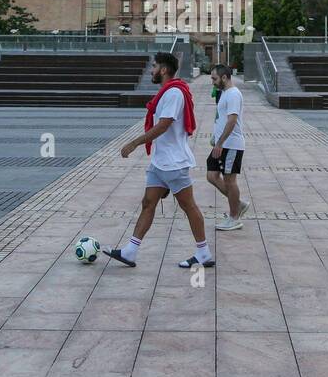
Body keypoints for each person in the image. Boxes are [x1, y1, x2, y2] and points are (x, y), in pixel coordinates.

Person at [105, 52, 215, 269]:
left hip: (174, 163)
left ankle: (203, 253)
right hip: (160, 163)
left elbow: (164, 124)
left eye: (154, 66)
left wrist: (134, 143)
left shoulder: (173, 93)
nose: (151, 70)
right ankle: (130, 252)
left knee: (188, 206)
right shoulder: (167, 92)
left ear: (164, 70)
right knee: (148, 203)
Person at [206, 64, 249, 231]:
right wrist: (215, 137)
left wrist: (220, 143)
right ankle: (239, 203)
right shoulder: (224, 93)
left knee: (230, 181)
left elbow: (232, 121)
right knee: (211, 175)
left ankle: (234, 217)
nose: (212, 82)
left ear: (224, 77)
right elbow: (222, 118)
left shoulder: (233, 95)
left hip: (231, 145)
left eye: (214, 78)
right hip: (222, 143)